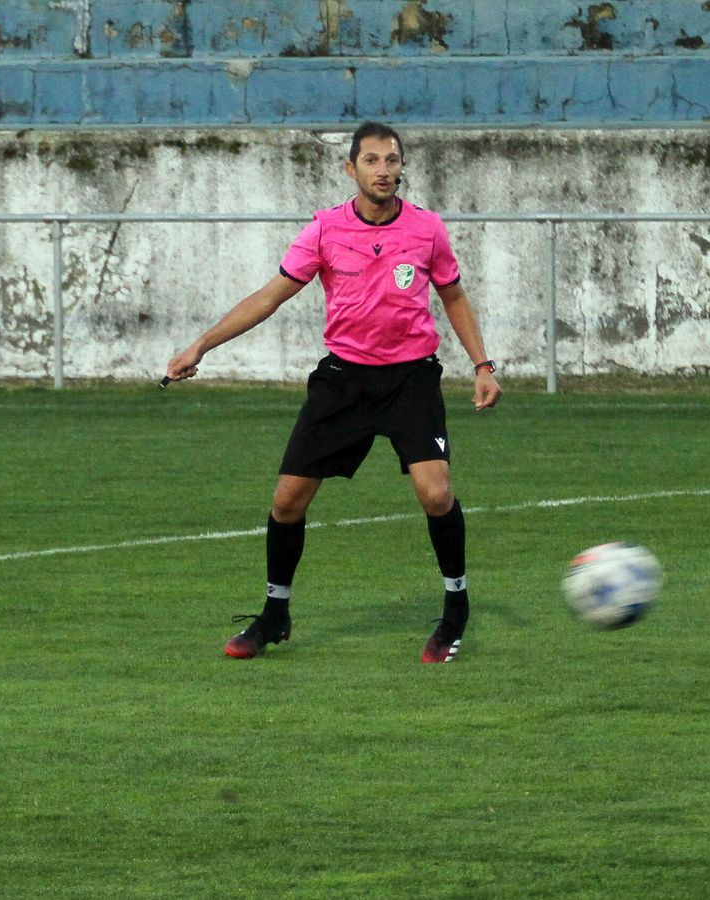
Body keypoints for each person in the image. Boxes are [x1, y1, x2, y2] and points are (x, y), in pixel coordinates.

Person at [165, 121, 502, 665]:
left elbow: (455, 297)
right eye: (371, 160)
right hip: (343, 381)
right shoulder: (325, 229)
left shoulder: (427, 229)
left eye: (391, 160)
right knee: (286, 501)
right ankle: (275, 613)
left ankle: (455, 607)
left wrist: (482, 365)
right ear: (351, 169)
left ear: (401, 166)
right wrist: (201, 345)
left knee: (436, 494)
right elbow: (270, 296)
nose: (383, 170)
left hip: (411, 380)